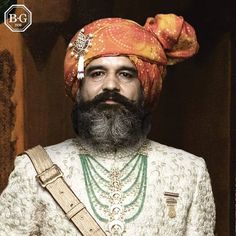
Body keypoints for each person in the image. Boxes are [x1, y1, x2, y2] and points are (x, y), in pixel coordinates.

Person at [0, 13, 215, 235]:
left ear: (145, 88)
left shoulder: (189, 172)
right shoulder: (32, 171)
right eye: (97, 73)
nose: (110, 85)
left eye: (126, 74)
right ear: (79, 88)